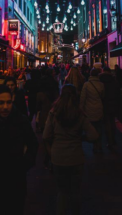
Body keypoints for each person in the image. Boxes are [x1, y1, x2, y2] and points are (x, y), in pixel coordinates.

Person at [43, 84, 98, 215]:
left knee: (62, 192)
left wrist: (51, 150)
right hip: (75, 157)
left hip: (58, 157)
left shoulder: (54, 113)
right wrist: (81, 138)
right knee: (75, 192)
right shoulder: (79, 114)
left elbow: (46, 135)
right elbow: (94, 135)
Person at [0, 85, 38, 215]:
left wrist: (24, 164)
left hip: (15, 182)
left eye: (9, 102)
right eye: (1, 103)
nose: (6, 107)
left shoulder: (20, 121)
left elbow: (33, 144)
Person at [80, 68, 105, 153]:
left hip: (89, 109)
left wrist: (81, 108)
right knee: (99, 128)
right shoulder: (101, 85)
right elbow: (103, 96)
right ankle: (99, 145)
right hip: (99, 107)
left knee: (91, 128)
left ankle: (94, 145)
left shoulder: (86, 84)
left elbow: (83, 98)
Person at [99, 67, 120, 148]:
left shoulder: (100, 81)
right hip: (113, 103)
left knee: (106, 122)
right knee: (112, 122)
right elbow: (118, 93)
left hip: (104, 103)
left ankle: (109, 140)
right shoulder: (114, 81)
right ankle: (113, 139)